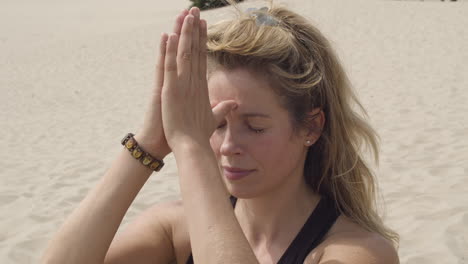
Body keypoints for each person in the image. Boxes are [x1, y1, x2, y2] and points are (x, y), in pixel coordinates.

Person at [40, 1, 399, 263]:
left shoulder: (356, 252)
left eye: (255, 127)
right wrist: (148, 143)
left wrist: (192, 145)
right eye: (214, 124)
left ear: (311, 126)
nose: (228, 146)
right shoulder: (176, 229)